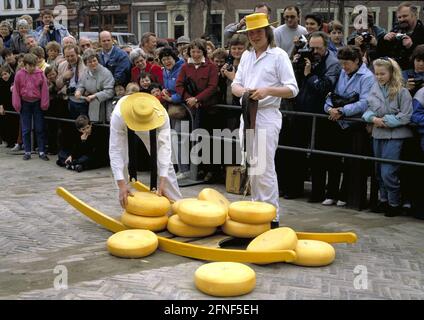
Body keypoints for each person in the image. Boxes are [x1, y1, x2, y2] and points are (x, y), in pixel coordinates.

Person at [232, 13, 299, 228]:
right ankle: (256, 211)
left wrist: (267, 90)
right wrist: (245, 92)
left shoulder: (279, 56)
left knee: (265, 167)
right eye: (251, 33)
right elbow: (235, 85)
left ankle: (272, 217)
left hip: (267, 114)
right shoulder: (246, 56)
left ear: (267, 32)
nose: (254, 36)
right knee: (252, 165)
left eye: (258, 31)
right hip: (247, 113)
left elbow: (292, 89)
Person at [109, 92, 183, 208]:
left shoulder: (162, 116)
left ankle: (177, 203)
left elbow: (165, 151)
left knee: (165, 163)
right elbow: (116, 151)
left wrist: (162, 182)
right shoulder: (118, 115)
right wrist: (121, 184)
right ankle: (125, 200)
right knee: (122, 160)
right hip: (126, 120)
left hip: (152, 123)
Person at [362, 57, 413, 217]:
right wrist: (372, 118)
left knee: (389, 172)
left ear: (391, 72)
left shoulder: (402, 91)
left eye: (382, 73)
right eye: (376, 74)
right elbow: (368, 109)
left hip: (395, 136)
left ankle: (394, 203)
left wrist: (385, 121)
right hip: (378, 135)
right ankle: (383, 201)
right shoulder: (374, 89)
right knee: (379, 172)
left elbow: (406, 116)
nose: (378, 77)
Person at [12, 53, 50, 161]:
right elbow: (16, 90)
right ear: (25, 65)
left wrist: (44, 103)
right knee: (26, 129)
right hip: (25, 103)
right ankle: (27, 151)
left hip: (37, 103)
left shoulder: (40, 74)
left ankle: (42, 151)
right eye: (30, 66)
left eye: (34, 65)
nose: (33, 68)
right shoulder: (19, 74)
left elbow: (44, 89)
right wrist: (17, 104)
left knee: (39, 128)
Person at [378, 2, 424, 70]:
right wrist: (383, 40)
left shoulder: (422, 33)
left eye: (405, 16)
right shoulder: (395, 31)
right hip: (394, 74)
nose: (401, 19)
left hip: (414, 76)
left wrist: (411, 46)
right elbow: (380, 54)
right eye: (399, 17)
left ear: (415, 15)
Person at [75, 49, 115, 122]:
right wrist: (78, 91)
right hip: (90, 105)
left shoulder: (105, 72)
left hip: (104, 106)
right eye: (90, 62)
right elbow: (81, 84)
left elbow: (110, 91)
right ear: (85, 63)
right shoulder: (85, 72)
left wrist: (95, 95)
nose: (93, 63)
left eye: (94, 60)